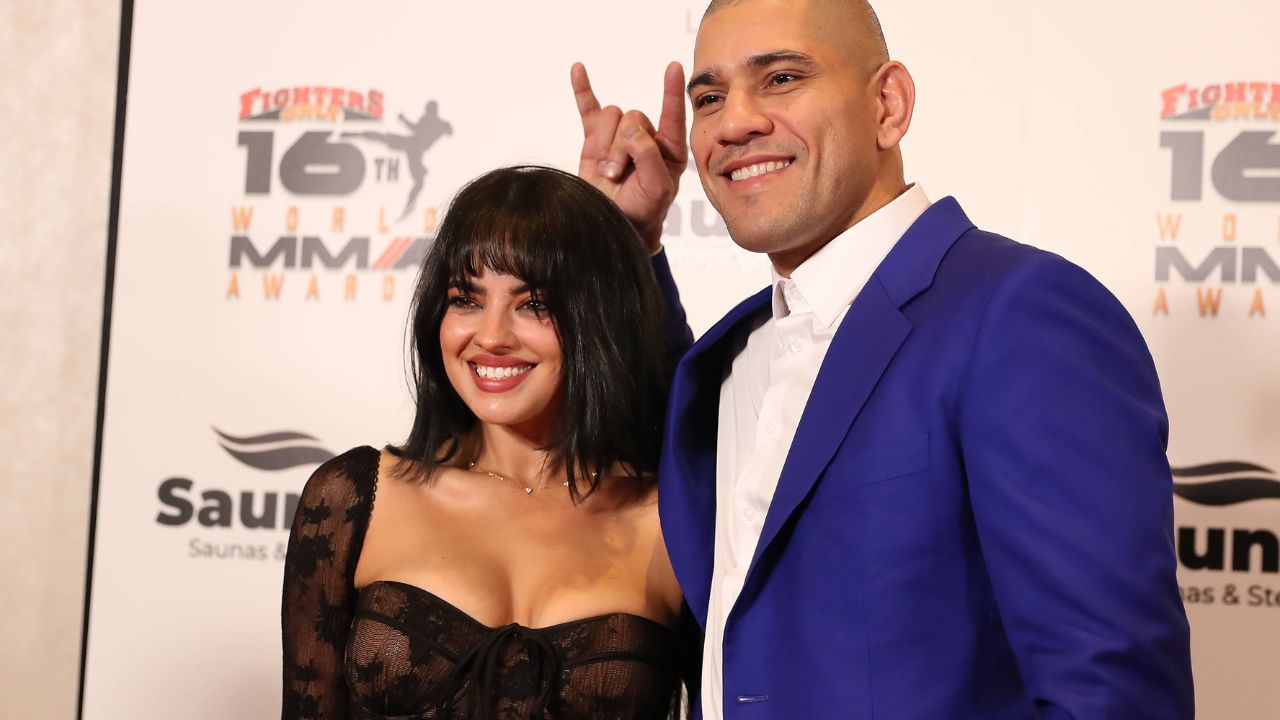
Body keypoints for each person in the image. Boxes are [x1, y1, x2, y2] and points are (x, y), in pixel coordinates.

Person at [572, 0, 1195, 718]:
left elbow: (1112, 692)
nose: (733, 121)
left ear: (889, 106)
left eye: (779, 78)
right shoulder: (730, 355)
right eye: (709, 96)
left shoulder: (1021, 313)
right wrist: (626, 242)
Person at [280, 165, 697, 720]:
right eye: (466, 299)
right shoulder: (356, 497)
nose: (492, 336)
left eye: (534, 304)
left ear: (600, 320)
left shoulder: (672, 518)